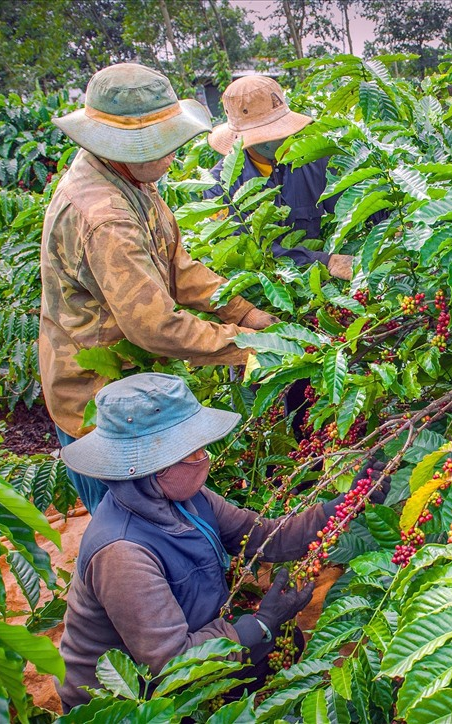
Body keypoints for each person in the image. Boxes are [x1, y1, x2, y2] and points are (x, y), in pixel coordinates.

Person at [55, 372, 389, 713]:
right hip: (129, 700)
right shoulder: (122, 552)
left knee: (282, 644)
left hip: (189, 647)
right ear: (151, 466)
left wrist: (345, 504)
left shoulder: (187, 499)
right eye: (191, 450)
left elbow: (262, 536)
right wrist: (261, 622)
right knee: (263, 643)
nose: (204, 456)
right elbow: (173, 661)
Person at [40, 63, 280, 515]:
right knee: (134, 533)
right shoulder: (104, 217)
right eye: (164, 145)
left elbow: (177, 265)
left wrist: (245, 312)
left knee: (172, 523)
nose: (173, 156)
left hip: (135, 385)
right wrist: (253, 346)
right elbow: (155, 326)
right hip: (100, 400)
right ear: (124, 146)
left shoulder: (129, 178)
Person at [204, 75, 354, 279]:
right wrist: (325, 261)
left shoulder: (312, 160)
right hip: (260, 289)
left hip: (318, 286)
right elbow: (241, 249)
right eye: (270, 134)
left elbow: (351, 202)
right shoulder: (219, 185)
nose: (282, 138)